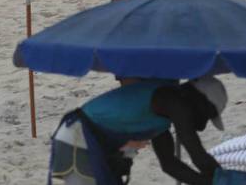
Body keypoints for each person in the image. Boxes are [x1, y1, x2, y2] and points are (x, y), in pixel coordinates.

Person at [78, 76, 230, 185]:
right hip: (79, 134)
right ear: (198, 100)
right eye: (206, 115)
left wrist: (206, 181)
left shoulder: (161, 119)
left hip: (95, 141)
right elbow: (194, 150)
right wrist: (224, 178)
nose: (202, 125)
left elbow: (169, 164)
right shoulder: (172, 101)